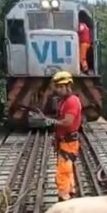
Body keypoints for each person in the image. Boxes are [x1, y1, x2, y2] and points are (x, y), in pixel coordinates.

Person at [37, 71, 82, 201]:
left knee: (62, 171)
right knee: (67, 169)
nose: (58, 90)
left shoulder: (72, 102)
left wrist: (52, 121)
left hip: (68, 142)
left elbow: (68, 122)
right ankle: (71, 190)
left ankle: (64, 197)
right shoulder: (64, 101)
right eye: (57, 87)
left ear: (68, 86)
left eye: (60, 87)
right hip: (64, 141)